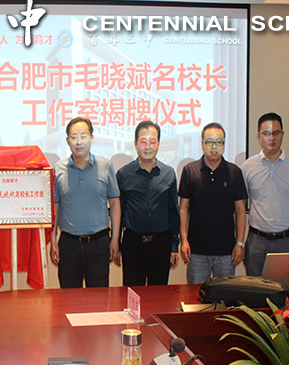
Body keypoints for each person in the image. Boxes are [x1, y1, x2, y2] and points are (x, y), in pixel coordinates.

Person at [50, 117, 121, 288]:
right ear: (67, 140)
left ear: (92, 138)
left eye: (83, 136)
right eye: (74, 137)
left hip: (99, 243)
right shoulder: (58, 169)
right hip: (69, 245)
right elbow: (55, 206)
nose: (79, 142)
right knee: (69, 298)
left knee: (98, 299)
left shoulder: (106, 166)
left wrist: (115, 239)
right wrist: (53, 239)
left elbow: (115, 203)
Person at [242, 112, 289, 276]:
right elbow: (240, 207)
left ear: (282, 134)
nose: (271, 138)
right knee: (255, 289)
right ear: (259, 136)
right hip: (256, 241)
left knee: (286, 288)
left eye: (276, 133)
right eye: (266, 133)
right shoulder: (248, 167)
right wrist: (240, 242)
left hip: (287, 241)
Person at [178, 122, 248, 284]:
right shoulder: (190, 170)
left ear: (224, 144)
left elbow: (240, 210)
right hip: (196, 251)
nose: (214, 147)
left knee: (224, 295)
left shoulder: (234, 172)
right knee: (196, 295)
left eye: (219, 142)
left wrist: (240, 243)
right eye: (209, 142)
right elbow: (183, 208)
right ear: (202, 144)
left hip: (226, 251)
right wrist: (184, 240)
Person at [116, 120, 180, 286]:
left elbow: (173, 212)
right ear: (135, 144)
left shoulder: (168, 173)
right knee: (132, 294)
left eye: (152, 142)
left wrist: (174, 246)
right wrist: (116, 243)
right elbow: (118, 212)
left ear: (158, 144)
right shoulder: (123, 174)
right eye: (143, 142)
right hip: (132, 243)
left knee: (158, 294)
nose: (147, 147)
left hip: (161, 244)